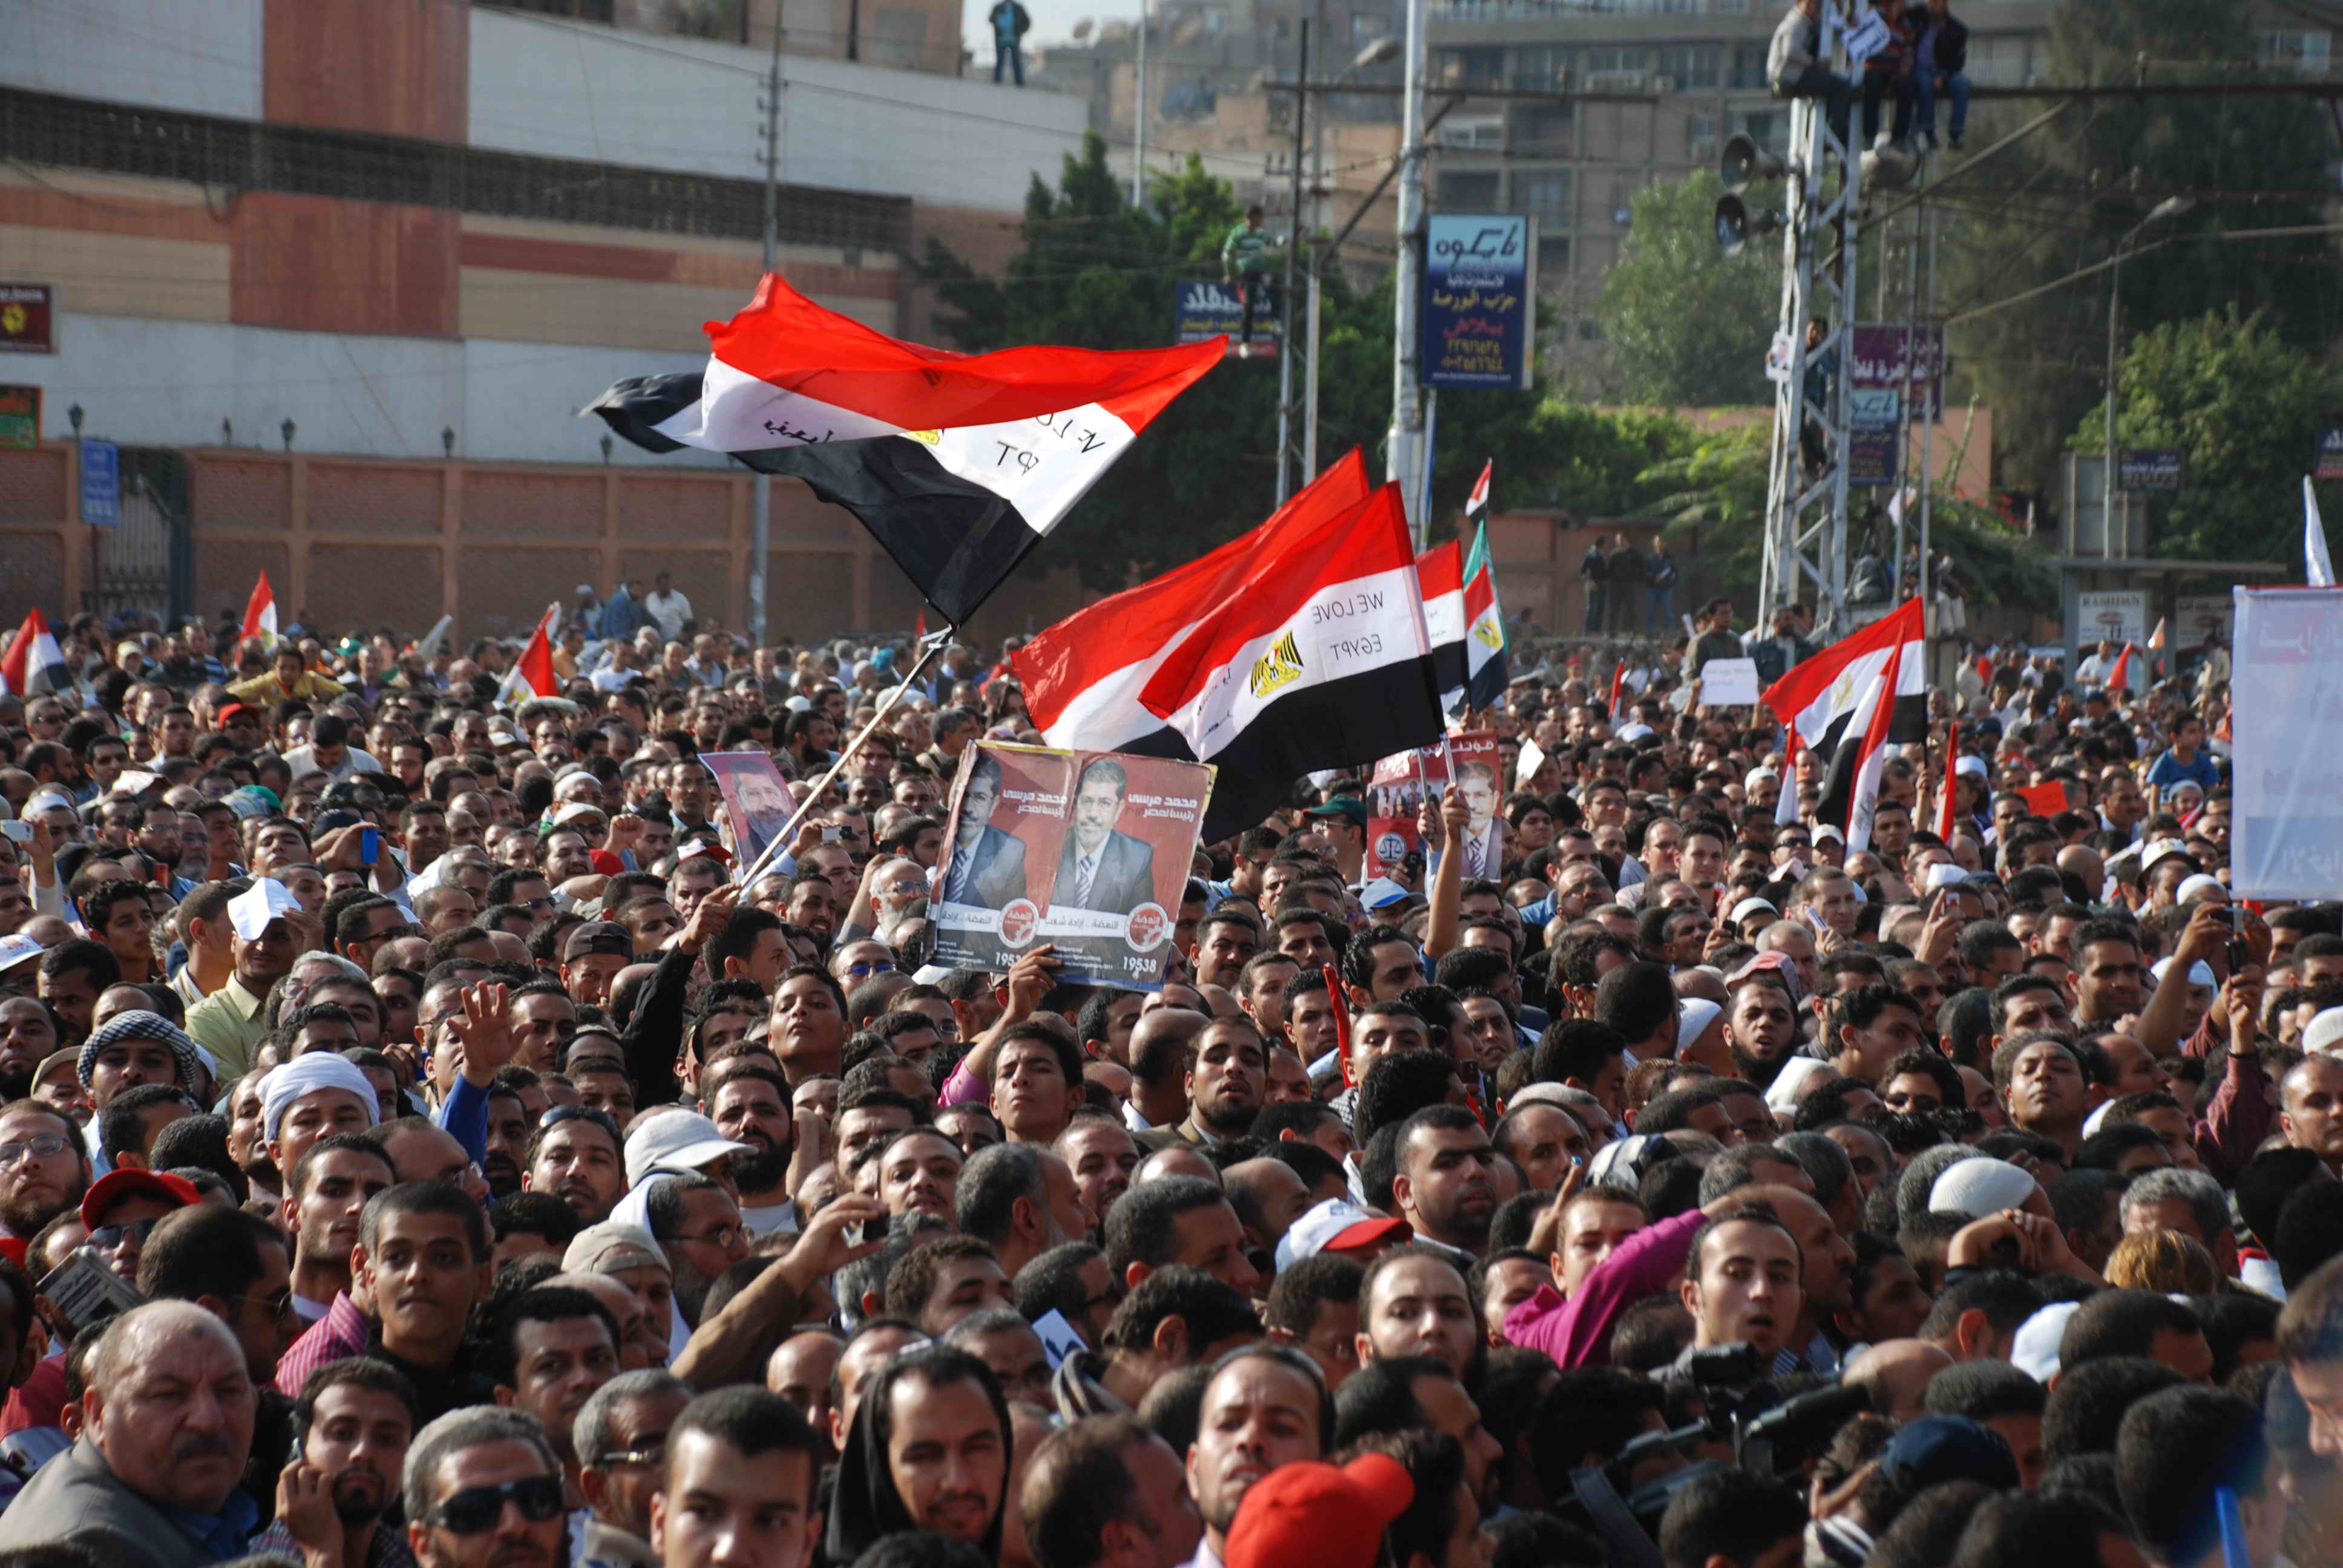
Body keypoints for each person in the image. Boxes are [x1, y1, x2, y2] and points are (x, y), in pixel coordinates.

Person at [0, 1300, 261, 1563]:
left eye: (229, 1391)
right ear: (97, 1413)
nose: (208, 1420)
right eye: (169, 1395)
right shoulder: (92, 1549)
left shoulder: (149, 1505)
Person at [1051, 760, 1156, 916]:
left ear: (1119, 810)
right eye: (1087, 801)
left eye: (1105, 803)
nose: (1093, 814)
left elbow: (1140, 924)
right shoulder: (1051, 846)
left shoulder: (1138, 857)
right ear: (1075, 803)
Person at [940, 751, 1028, 910]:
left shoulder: (1010, 851)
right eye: (963, 796)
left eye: (980, 798)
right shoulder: (931, 839)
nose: (968, 808)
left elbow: (1010, 913)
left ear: (994, 804)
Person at [1768, 0, 1852, 150]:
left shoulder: (1805, 22)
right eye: (1809, 4)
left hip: (1791, 75)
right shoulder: (1797, 23)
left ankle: (1819, 135)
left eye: (1815, 5)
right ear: (1799, 4)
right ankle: (1835, 134)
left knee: (1827, 88)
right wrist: (1815, 63)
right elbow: (1791, 52)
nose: (1812, 8)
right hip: (1789, 76)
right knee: (1840, 87)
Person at [1220, 206, 1280, 358]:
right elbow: (1227, 254)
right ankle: (1245, 343)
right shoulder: (1238, 233)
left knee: (1274, 290)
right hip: (1246, 272)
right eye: (1260, 218)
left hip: (1261, 269)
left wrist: (1284, 240)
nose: (1262, 221)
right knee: (1249, 305)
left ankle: (1275, 320)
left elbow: (1273, 242)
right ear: (1253, 219)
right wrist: (1229, 273)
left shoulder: (1261, 233)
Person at [1909, 0, 1970, 150]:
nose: (1933, 6)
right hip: (1921, 70)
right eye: (1931, 3)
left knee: (1962, 83)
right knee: (1925, 83)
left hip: (1946, 71)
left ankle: (1956, 133)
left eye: (1937, 3)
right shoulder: (1920, 19)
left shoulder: (1957, 30)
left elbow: (1958, 61)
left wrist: (1943, 74)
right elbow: (1902, 11)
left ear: (1944, 4)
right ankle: (1928, 131)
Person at [989, 0, 1032, 85]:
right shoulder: (998, 7)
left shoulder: (1019, 8)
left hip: (1014, 39)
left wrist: (1020, 32)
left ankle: (1019, 82)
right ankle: (997, 80)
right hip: (1001, 38)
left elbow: (1027, 22)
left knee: (1016, 60)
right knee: (1000, 60)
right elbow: (991, 19)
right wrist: (998, 23)